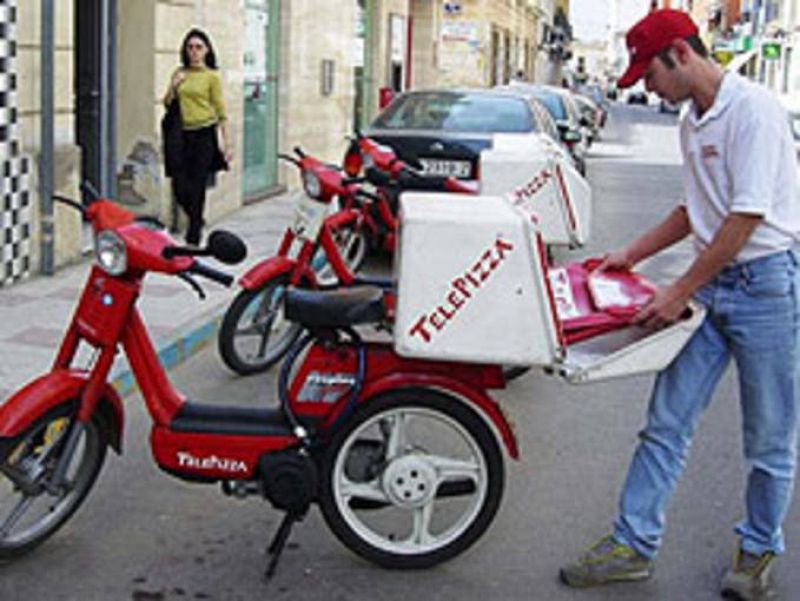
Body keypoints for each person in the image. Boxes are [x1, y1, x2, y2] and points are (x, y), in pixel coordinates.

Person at [559, 9, 800, 600]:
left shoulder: (755, 112)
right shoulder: (692, 120)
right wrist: (631, 255)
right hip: (714, 284)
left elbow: (745, 217)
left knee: (769, 436)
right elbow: (695, 208)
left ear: (681, 56)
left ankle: (758, 549)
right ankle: (632, 544)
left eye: (650, 73)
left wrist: (678, 289)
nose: (646, 87)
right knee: (667, 423)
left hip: (766, 285)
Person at [163, 28, 232, 245]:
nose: (194, 51)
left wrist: (227, 144)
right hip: (182, 136)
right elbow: (167, 103)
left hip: (204, 134)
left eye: (199, 47)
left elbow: (221, 112)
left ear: (207, 50)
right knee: (179, 185)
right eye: (190, 47)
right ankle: (196, 219)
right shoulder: (179, 73)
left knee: (198, 185)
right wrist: (174, 86)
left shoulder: (211, 77)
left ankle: (193, 237)